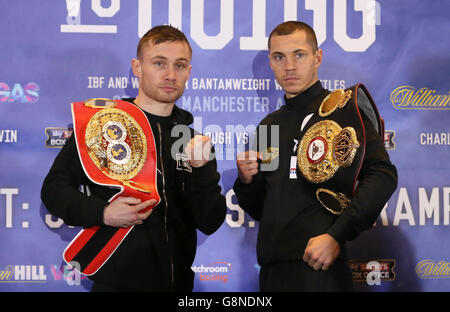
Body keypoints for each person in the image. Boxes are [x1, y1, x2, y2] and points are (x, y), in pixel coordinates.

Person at [41, 25, 226, 291]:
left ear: (189, 72)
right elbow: (54, 190)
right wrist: (102, 213)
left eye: (180, 65)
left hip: (179, 285)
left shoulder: (194, 141)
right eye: (159, 63)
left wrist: (202, 170)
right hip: (116, 284)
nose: (171, 75)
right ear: (137, 67)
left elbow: (210, 221)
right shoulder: (104, 126)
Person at [233, 21, 398, 291]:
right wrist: (247, 182)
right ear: (270, 63)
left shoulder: (343, 109)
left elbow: (383, 175)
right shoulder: (268, 126)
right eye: (279, 57)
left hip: (320, 270)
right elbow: (261, 207)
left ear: (317, 57)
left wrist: (336, 236)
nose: (289, 66)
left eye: (299, 54)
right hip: (272, 273)